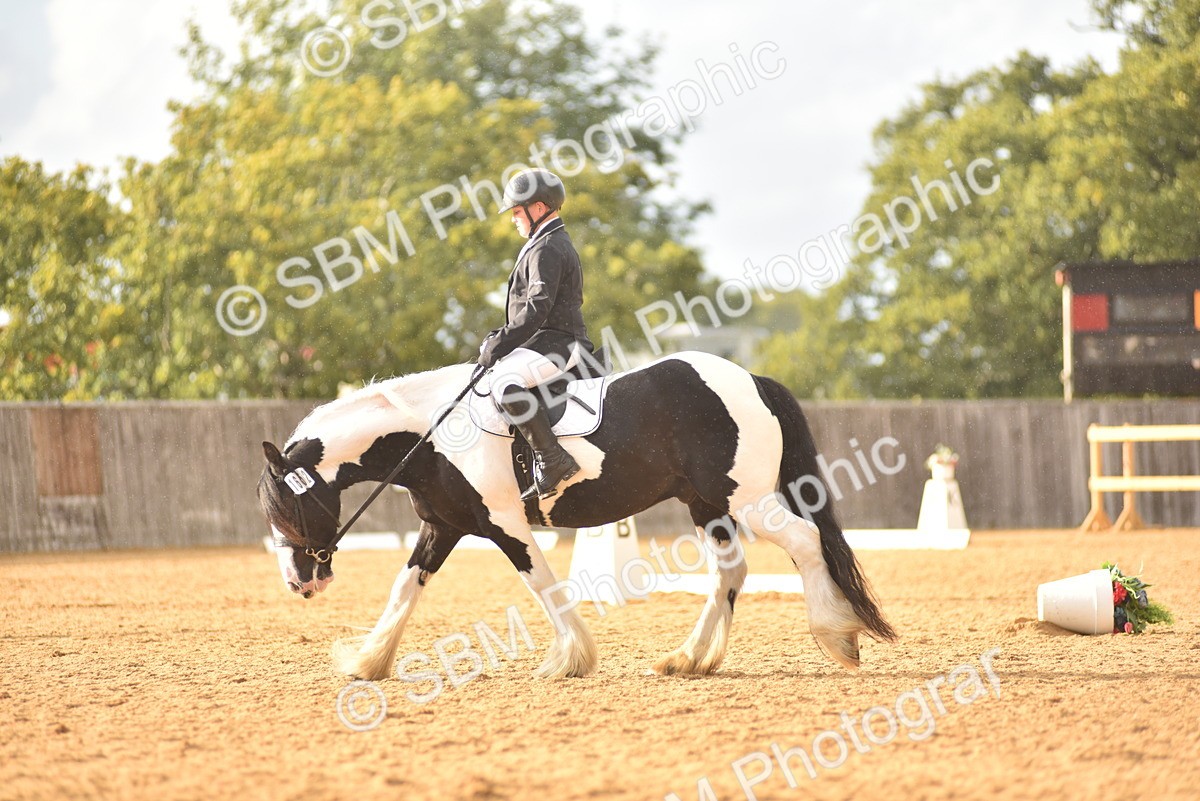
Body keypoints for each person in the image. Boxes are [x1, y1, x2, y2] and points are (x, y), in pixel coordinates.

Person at [478, 168, 594, 501]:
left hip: (561, 343)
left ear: (538, 208)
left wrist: (499, 343)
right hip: (544, 342)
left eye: (517, 211)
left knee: (504, 383)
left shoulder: (548, 248)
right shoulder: (544, 241)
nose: (514, 219)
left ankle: (552, 458)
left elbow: (536, 310)